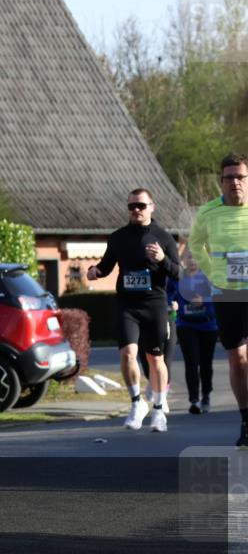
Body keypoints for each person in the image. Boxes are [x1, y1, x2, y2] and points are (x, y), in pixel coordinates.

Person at [87, 188, 180, 433]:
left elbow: (178, 273)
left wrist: (162, 259)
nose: (136, 210)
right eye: (131, 207)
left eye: (140, 205)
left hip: (155, 305)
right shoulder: (118, 237)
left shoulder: (165, 237)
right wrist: (94, 271)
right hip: (128, 305)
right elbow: (106, 266)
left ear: (152, 206)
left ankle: (159, 408)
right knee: (128, 354)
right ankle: (137, 403)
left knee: (155, 358)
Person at [187, 153, 248, 448]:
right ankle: (246, 421)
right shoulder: (209, 212)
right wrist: (212, 273)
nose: (235, 182)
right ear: (221, 181)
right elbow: (195, 243)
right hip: (226, 293)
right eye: (230, 177)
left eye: (240, 177)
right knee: (237, 359)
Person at [169, 247, 218, 414]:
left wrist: (205, 300)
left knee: (206, 364)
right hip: (186, 325)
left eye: (196, 257)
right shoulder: (178, 277)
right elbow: (168, 294)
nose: (192, 261)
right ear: (184, 259)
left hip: (208, 325)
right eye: (189, 257)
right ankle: (194, 400)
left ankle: (206, 395)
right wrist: (171, 304)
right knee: (191, 362)